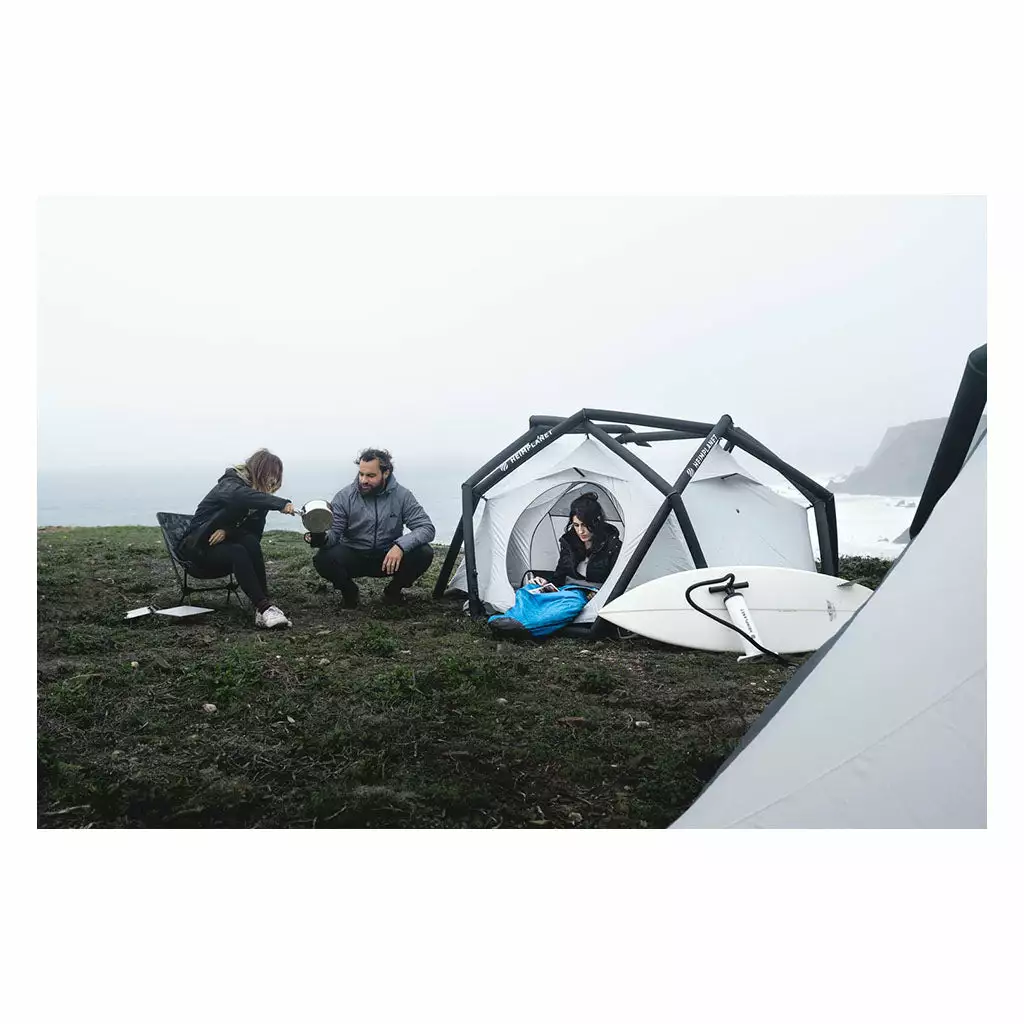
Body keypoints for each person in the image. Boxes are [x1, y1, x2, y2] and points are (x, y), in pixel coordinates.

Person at [177, 449, 297, 628]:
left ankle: (262, 609)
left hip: (222, 549)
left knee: (250, 543)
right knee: (238, 551)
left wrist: (228, 532)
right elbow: (238, 496)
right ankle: (264, 607)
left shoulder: (259, 500)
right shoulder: (230, 484)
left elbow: (254, 535)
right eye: (270, 475)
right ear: (259, 470)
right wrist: (280, 504)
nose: (273, 481)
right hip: (196, 548)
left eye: (276, 477)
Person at [305, 448, 435, 608]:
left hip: (388, 558)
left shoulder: (402, 496)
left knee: (424, 553)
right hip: (354, 556)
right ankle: (349, 591)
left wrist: (400, 546)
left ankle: (393, 592)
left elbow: (426, 527)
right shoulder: (344, 496)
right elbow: (334, 534)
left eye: (371, 475)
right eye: (361, 474)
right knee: (322, 559)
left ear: (385, 473)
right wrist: (320, 537)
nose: (363, 480)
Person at [490, 491, 622, 638]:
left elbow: (616, 581)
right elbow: (561, 573)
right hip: (566, 588)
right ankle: (509, 619)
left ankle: (524, 627)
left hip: (587, 593)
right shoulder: (569, 542)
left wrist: (598, 594)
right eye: (576, 525)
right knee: (529, 590)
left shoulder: (612, 545)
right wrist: (546, 582)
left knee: (570, 604)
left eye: (585, 525)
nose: (580, 531)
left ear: (596, 522)